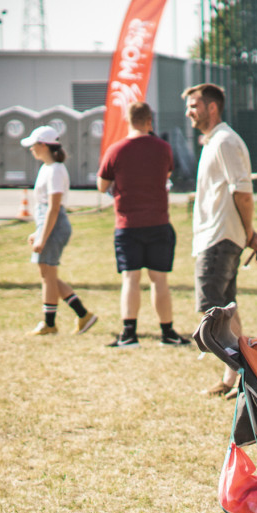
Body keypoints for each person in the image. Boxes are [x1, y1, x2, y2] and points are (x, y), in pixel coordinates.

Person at [184, 83, 257, 396]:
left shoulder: (225, 141)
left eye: (194, 105)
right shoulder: (214, 141)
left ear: (212, 107)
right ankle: (237, 377)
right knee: (225, 312)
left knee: (212, 314)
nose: (189, 112)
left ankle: (246, 374)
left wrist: (248, 232)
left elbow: (242, 192)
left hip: (219, 238)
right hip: (216, 237)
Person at [97, 102, 187, 348]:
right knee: (160, 280)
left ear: (128, 120)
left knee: (130, 278)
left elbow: (102, 186)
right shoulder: (163, 148)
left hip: (128, 224)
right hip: (158, 221)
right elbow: (166, 175)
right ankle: (167, 333)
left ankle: (129, 334)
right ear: (150, 121)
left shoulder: (115, 150)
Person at [21, 125, 97, 337]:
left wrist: (42, 236)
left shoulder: (55, 170)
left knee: (48, 275)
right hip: (48, 224)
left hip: (54, 225)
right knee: (48, 274)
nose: (31, 149)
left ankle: (50, 324)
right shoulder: (47, 168)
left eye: (33, 145)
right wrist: (38, 232)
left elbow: (54, 208)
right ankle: (83, 315)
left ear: (44, 145)